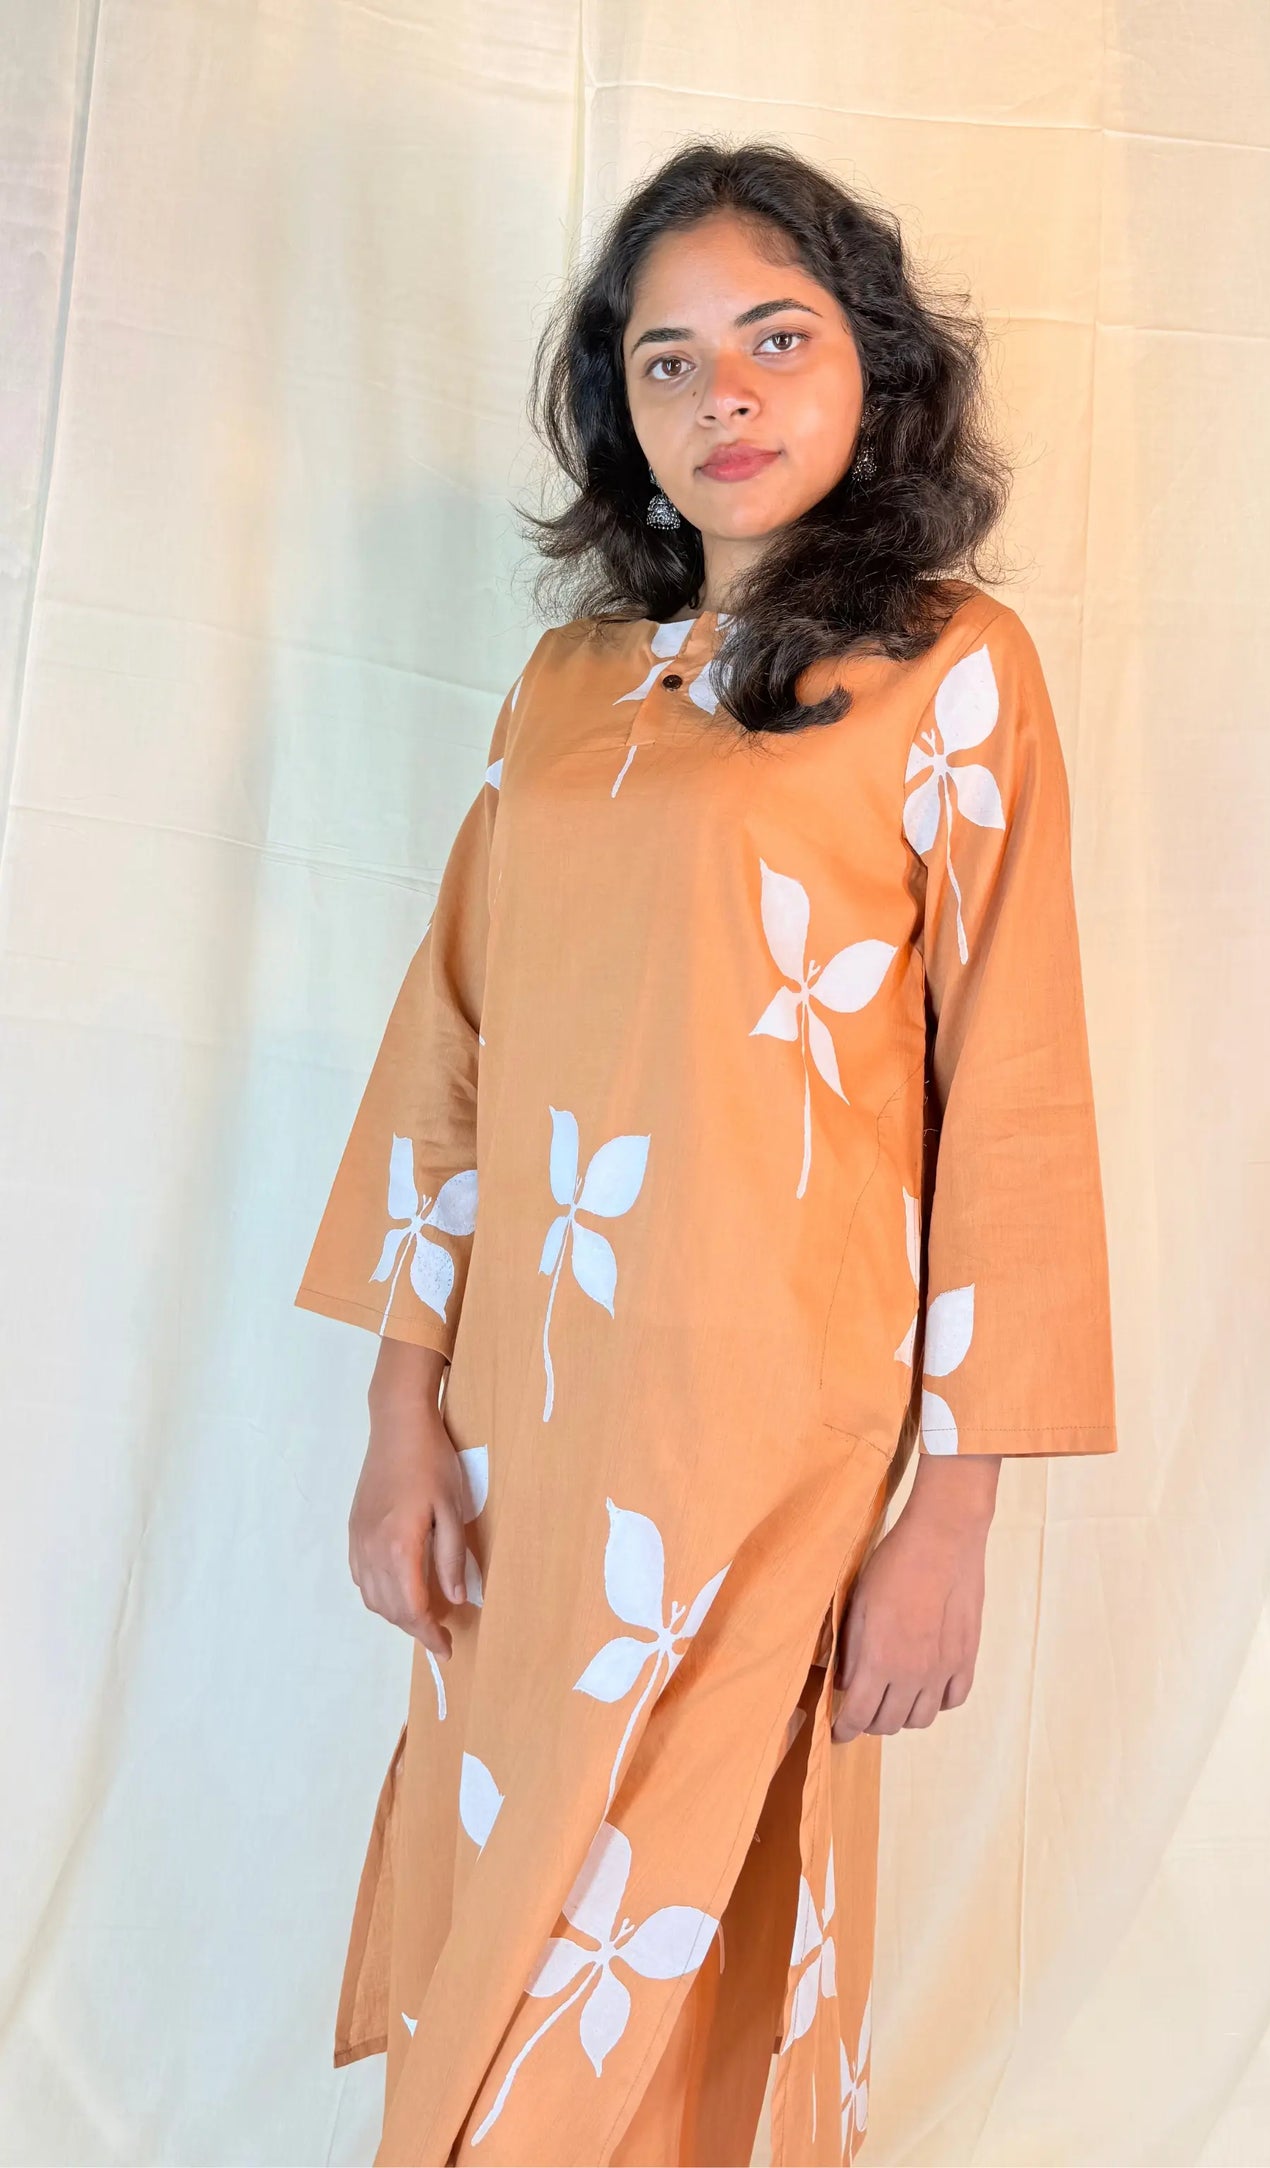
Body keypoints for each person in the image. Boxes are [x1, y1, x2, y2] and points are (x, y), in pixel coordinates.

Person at [293, 137, 1117, 2168]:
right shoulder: (567, 685)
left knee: (676, 1924)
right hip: (526, 1429)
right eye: (665, 360)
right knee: (509, 1896)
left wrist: (952, 1517)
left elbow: (1013, 1095)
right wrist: (400, 1413)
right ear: (619, 404)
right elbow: (451, 1052)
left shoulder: (953, 672)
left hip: (769, 1443)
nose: (721, 396)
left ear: (876, 370)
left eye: (774, 339)